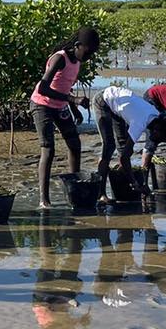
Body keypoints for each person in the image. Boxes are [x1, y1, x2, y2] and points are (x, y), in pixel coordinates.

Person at [30, 28, 100, 209]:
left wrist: (74, 108)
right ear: (77, 46)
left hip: (59, 105)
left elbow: (64, 87)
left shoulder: (77, 61)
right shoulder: (59, 58)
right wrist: (73, 99)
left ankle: (74, 188)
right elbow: (43, 88)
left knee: (75, 144)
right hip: (42, 105)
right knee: (48, 149)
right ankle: (44, 200)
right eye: (88, 52)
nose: (89, 56)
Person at [92, 85, 166, 195]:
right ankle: (101, 194)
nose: (157, 142)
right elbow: (124, 157)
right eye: (160, 139)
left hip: (119, 103)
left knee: (122, 145)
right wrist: (136, 184)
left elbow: (125, 152)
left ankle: (123, 179)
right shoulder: (140, 122)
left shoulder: (156, 116)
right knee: (109, 146)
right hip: (104, 101)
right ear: (157, 130)